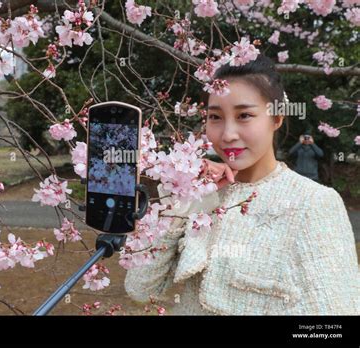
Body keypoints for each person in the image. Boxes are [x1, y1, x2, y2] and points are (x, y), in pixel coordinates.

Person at [124, 55, 359, 315]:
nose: (227, 135)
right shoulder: (200, 193)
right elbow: (139, 289)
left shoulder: (313, 203)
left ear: (277, 118)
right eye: (215, 117)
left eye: (245, 115)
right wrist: (186, 198)